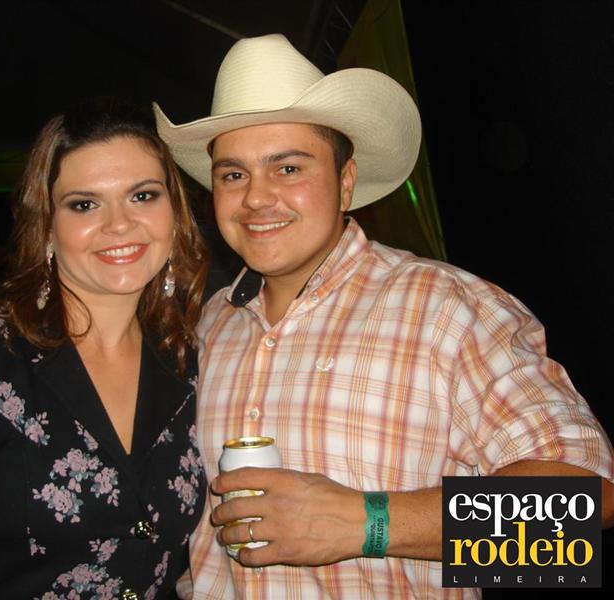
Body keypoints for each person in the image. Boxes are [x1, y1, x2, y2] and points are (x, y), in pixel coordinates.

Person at [153, 34, 614, 598]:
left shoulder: (447, 307)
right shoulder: (207, 326)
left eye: (289, 168)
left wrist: (367, 523)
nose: (256, 197)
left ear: (345, 183)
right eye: (233, 174)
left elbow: (582, 512)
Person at [0, 97, 209, 599]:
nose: (119, 224)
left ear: (175, 214)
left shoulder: (189, 359)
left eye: (143, 196)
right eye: (85, 204)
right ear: (47, 226)